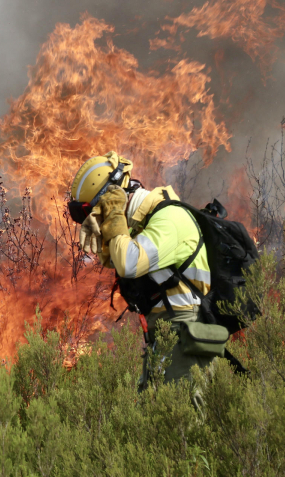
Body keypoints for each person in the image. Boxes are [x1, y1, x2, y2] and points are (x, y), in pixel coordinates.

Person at [68, 151, 214, 389]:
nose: (95, 219)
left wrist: (114, 213)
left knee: (182, 418)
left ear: (115, 197)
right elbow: (120, 261)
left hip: (185, 328)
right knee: (153, 414)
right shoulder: (142, 225)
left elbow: (129, 263)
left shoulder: (170, 218)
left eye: (94, 211)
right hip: (165, 331)